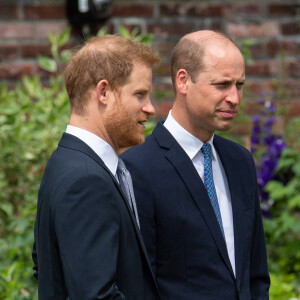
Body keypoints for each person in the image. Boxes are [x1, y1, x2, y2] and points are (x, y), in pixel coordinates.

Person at [121, 30, 270, 299]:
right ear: (183, 81)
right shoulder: (137, 169)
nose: (234, 98)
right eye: (222, 85)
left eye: (240, 85)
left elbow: (256, 273)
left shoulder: (240, 161)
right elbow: (139, 285)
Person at [32, 34, 161, 299]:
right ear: (103, 92)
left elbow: (47, 266)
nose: (150, 108)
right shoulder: (86, 181)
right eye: (140, 94)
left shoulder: (65, 162)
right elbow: (96, 295)